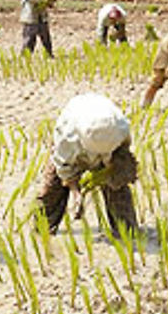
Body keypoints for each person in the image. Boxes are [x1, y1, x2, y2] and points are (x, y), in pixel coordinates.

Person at [36, 93, 138, 235]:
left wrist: (112, 169)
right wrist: (76, 193)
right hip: (75, 134)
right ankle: (42, 229)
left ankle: (127, 231)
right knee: (53, 186)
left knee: (117, 185)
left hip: (110, 141)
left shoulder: (120, 128)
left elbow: (124, 153)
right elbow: (64, 167)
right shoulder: (67, 137)